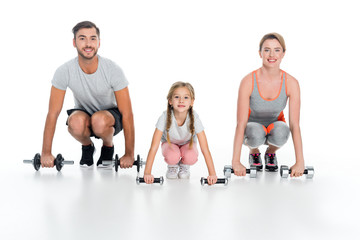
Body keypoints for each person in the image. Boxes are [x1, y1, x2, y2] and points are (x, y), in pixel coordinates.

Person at [41, 21, 135, 169]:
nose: (88, 44)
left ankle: (107, 147)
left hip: (109, 118)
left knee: (99, 120)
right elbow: (53, 113)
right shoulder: (64, 71)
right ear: (74, 42)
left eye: (93, 38)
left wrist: (129, 154)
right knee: (75, 122)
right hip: (84, 115)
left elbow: (127, 113)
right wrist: (46, 153)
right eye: (82, 38)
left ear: (99, 42)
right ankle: (87, 147)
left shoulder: (113, 70)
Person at [232, 33, 305, 177]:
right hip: (252, 125)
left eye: (277, 50)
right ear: (260, 53)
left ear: (283, 53)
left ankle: (270, 153)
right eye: (267, 50)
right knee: (256, 133)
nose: (272, 54)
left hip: (275, 123)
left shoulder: (291, 83)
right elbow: (241, 124)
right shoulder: (248, 81)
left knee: (282, 132)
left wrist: (300, 162)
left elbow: (294, 125)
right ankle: (254, 152)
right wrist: (236, 162)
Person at [143, 82, 218, 185]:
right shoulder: (164, 117)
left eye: (186, 97)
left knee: (191, 156)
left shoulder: (194, 118)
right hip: (169, 144)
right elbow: (154, 147)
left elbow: (205, 148)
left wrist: (212, 174)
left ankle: (184, 165)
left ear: (192, 102)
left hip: (188, 144)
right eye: (177, 97)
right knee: (172, 156)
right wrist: (147, 173)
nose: (181, 100)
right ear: (170, 101)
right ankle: (172, 166)